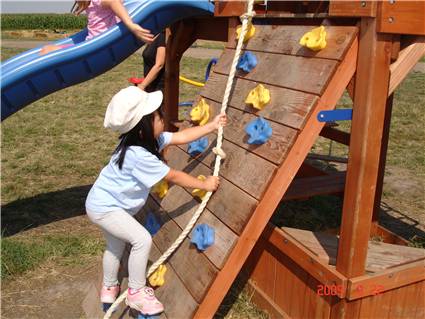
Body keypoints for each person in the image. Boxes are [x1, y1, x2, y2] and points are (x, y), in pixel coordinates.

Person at [85, 86, 226, 315]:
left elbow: (180, 137)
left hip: (102, 203)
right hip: (107, 208)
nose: (163, 120)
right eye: (158, 117)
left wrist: (211, 126)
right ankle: (137, 292)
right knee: (141, 239)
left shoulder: (146, 141)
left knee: (115, 246)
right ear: (142, 127)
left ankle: (109, 287)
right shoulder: (139, 155)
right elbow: (174, 176)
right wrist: (204, 184)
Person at [40, 0, 153, 55]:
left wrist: (130, 25)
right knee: (46, 49)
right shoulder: (93, 1)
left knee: (46, 51)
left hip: (94, 47)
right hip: (91, 44)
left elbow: (114, 2)